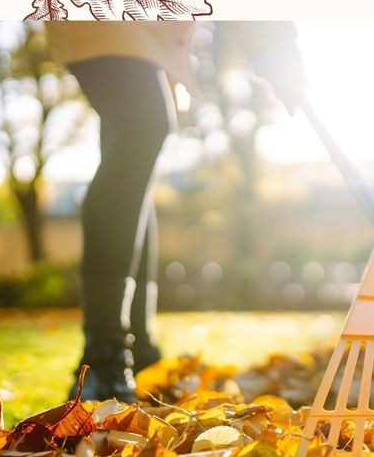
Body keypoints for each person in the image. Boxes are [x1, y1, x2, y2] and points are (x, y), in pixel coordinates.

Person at [44, 22, 305, 402]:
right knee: (142, 124)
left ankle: (139, 350)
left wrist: (280, 50)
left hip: (150, 28)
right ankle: (103, 358)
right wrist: (277, 44)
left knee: (132, 157)